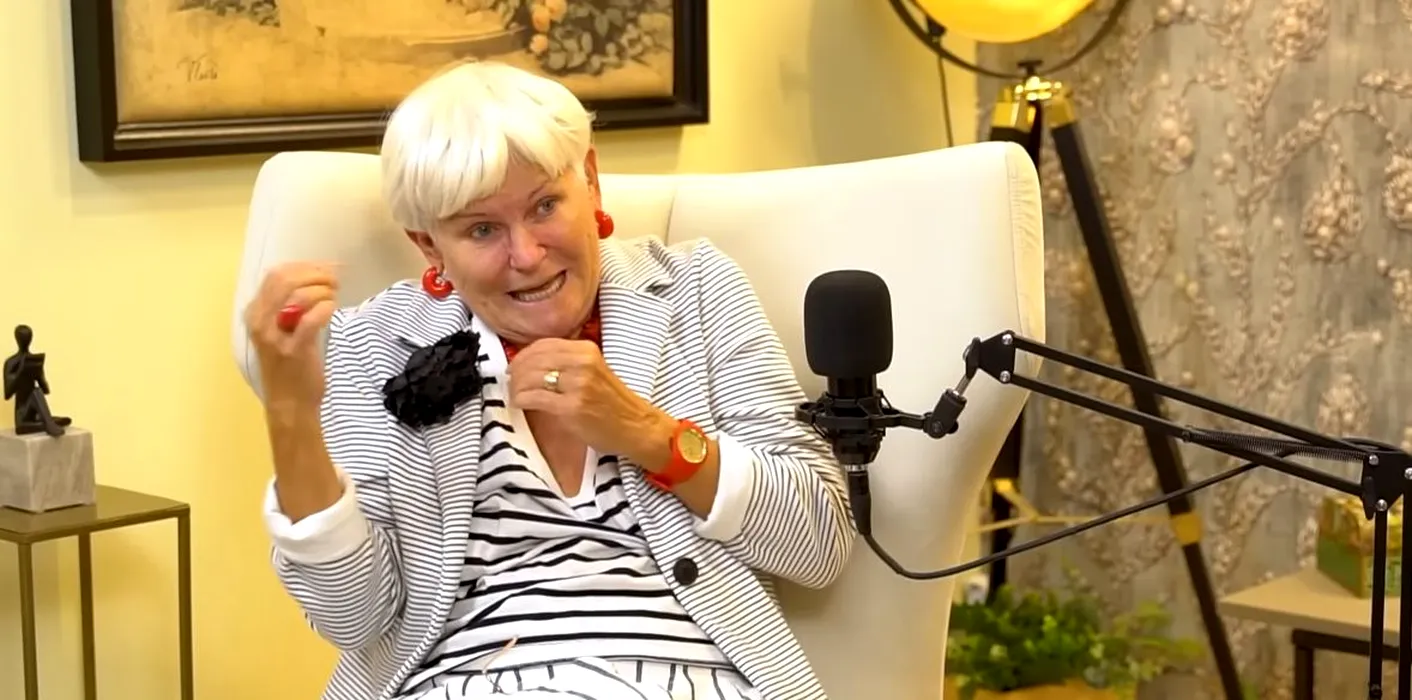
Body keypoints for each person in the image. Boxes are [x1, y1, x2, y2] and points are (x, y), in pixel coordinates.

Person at [244, 60, 853, 700]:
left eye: (544, 206)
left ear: (590, 182)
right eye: (482, 229)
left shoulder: (696, 290)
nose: (527, 255)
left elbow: (818, 542)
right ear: (430, 247)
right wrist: (291, 413)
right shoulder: (374, 344)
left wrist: (647, 434)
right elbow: (355, 618)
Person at [4, 324, 70, 437]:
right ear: (17, 339)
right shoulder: (11, 362)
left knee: (37, 390)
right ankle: (50, 423)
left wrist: (38, 373)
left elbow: (45, 390)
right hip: (22, 416)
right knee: (35, 392)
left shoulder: (33, 360)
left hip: (34, 415)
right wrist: (20, 372)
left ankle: (48, 422)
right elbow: (7, 394)